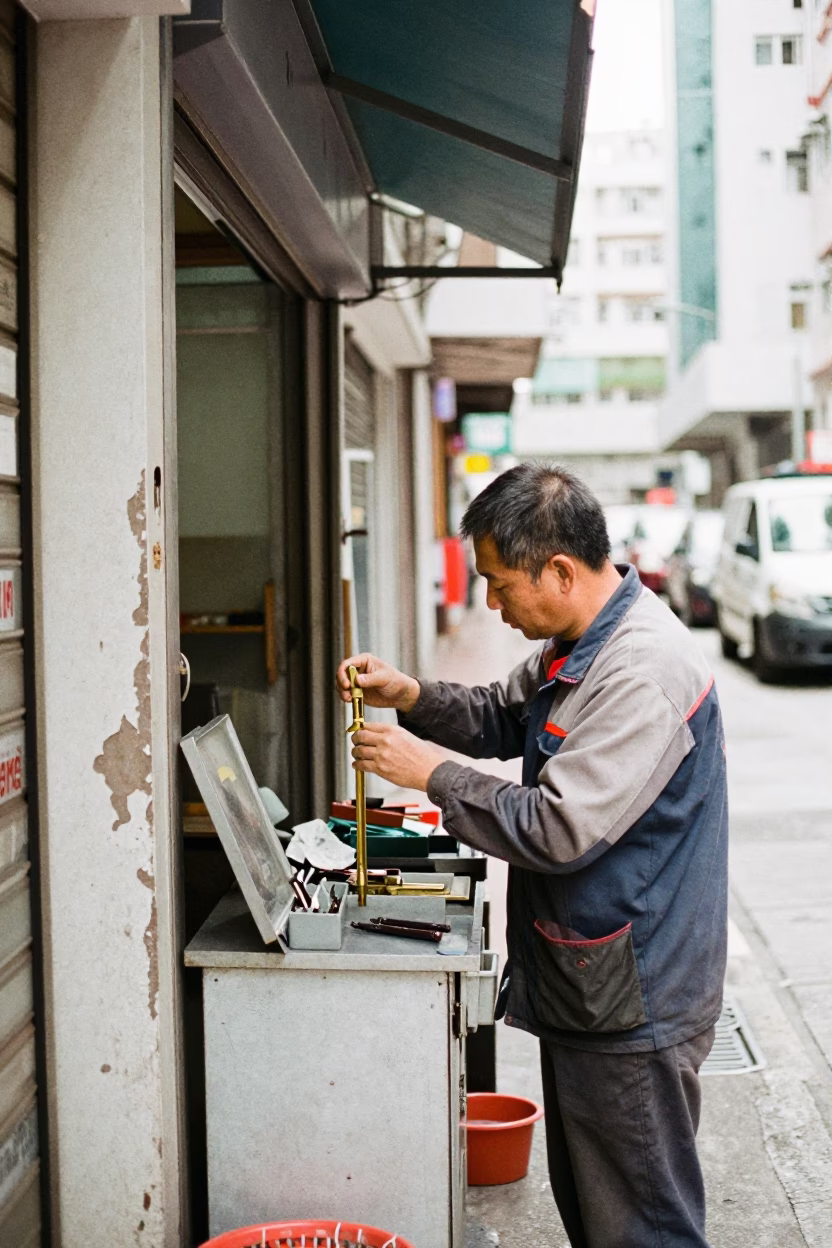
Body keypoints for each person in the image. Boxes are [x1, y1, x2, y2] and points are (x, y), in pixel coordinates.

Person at [336, 463, 727, 1248]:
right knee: (598, 1208)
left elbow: (555, 828)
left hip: (637, 996)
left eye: (500, 583)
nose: (490, 602)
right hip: (593, 983)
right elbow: (498, 715)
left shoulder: (641, 672)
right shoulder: (578, 641)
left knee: (642, 1223)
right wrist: (410, 694)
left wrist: (429, 773)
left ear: (559, 569)